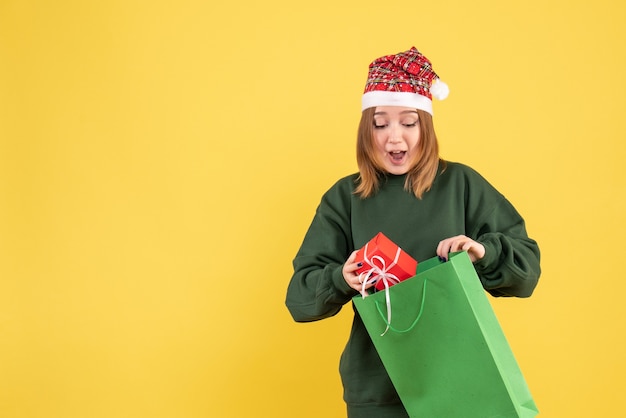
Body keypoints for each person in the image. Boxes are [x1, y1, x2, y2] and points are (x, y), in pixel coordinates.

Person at [285, 47, 541, 418]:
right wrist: (342, 277)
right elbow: (300, 298)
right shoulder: (346, 198)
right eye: (380, 123)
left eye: (408, 122)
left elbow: (527, 272)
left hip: (461, 380)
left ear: (426, 126)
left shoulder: (461, 185)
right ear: (365, 130)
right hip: (377, 391)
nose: (394, 139)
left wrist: (483, 253)